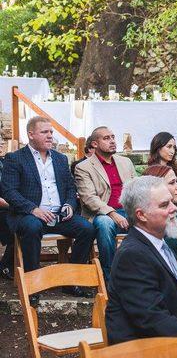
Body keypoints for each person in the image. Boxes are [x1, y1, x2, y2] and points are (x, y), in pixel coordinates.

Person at [105, 176, 177, 355]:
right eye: (164, 205)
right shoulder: (132, 255)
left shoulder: (158, 243)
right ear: (141, 215)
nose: (173, 209)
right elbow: (152, 317)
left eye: (171, 202)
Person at [0, 117, 95, 299]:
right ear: (31, 135)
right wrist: (33, 209)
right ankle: (34, 284)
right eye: (45, 132)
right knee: (32, 227)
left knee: (87, 229)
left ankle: (71, 281)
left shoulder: (60, 159)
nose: (50, 136)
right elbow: (9, 192)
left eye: (51, 132)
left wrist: (68, 204)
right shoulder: (15, 158)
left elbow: (70, 187)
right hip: (28, 215)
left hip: (58, 215)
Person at [74, 126, 136, 281]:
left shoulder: (125, 162)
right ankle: (110, 277)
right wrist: (112, 213)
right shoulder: (83, 167)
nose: (112, 141)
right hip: (102, 213)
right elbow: (89, 198)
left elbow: (137, 188)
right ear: (94, 144)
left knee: (156, 219)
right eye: (106, 138)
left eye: (113, 137)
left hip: (128, 210)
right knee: (105, 224)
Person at [0, 138, 13, 280]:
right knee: (16, 226)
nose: (1, 144)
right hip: (3, 209)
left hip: (10, 206)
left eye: (2, 142)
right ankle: (6, 265)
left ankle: (7, 264)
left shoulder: (5, 162)